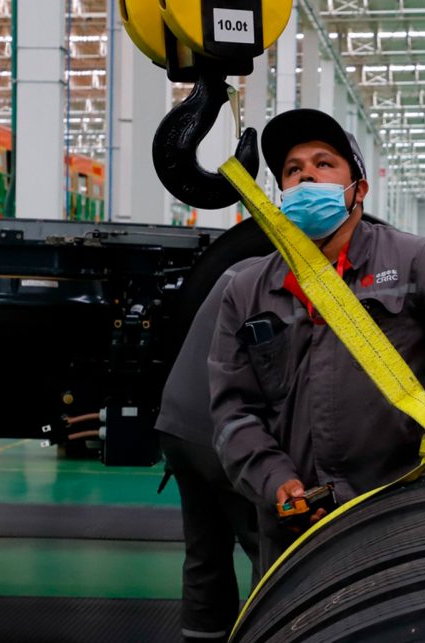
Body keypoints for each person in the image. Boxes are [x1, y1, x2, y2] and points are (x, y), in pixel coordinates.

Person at [208, 108, 425, 572]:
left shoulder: (412, 259)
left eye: (324, 164)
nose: (307, 176)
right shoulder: (248, 290)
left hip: (399, 509)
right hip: (295, 525)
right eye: (293, 170)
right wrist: (275, 480)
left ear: (358, 189)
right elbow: (233, 411)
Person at [156, 258, 262, 643]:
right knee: (273, 552)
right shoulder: (280, 281)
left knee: (205, 554)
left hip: (178, 426)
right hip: (221, 433)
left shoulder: (239, 267)